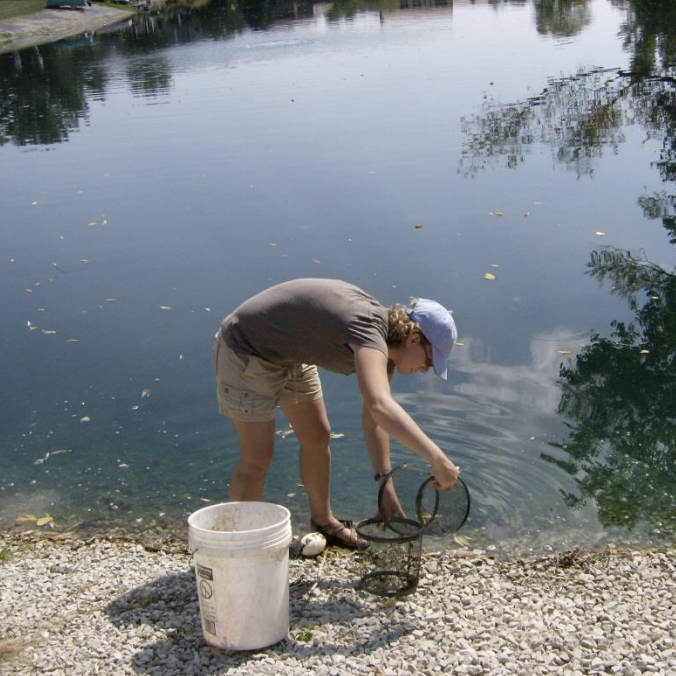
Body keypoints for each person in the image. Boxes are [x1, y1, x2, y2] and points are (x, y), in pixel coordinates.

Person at [213, 278, 460, 550]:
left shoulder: (387, 352)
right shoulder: (368, 329)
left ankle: (323, 523)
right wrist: (437, 459)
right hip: (248, 347)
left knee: (318, 437)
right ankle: (233, 546)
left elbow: (375, 420)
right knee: (258, 457)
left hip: (291, 353)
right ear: (413, 338)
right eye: (429, 360)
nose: (426, 369)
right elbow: (380, 405)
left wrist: (384, 486)